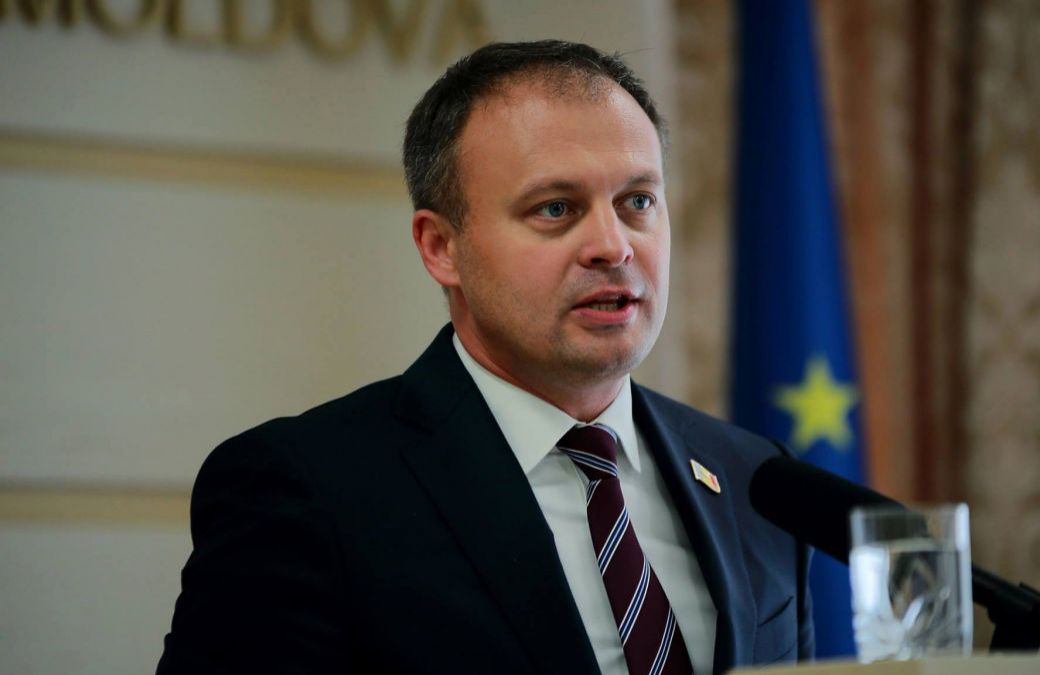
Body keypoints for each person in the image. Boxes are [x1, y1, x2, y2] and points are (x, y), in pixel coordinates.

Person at [157, 40, 813, 675]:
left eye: (637, 201)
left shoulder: (756, 478)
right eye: (556, 208)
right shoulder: (307, 491)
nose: (613, 246)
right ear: (441, 246)